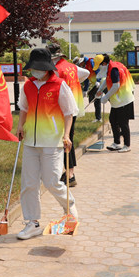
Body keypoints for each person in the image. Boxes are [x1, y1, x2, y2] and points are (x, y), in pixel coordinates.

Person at [16, 47, 78, 240]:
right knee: (29, 183)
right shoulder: (28, 85)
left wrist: (66, 135)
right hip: (31, 142)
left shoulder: (59, 85)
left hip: (52, 141)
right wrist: (20, 126)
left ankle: (69, 207)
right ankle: (32, 223)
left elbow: (69, 112)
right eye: (34, 68)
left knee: (52, 182)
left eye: (39, 68)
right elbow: (24, 108)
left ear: (47, 67)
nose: (36, 71)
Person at [48, 43, 89, 187]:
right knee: (68, 138)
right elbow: (86, 73)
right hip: (74, 106)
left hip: (64, 109)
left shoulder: (55, 70)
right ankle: (69, 172)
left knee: (65, 140)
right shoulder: (72, 67)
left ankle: (70, 174)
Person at [93, 54, 135, 153]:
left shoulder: (114, 69)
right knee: (113, 120)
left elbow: (116, 86)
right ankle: (117, 143)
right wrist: (100, 90)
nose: (99, 68)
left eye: (99, 66)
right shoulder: (111, 67)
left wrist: (106, 97)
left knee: (123, 123)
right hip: (118, 100)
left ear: (104, 63)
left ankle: (127, 145)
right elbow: (108, 79)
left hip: (123, 100)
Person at [75, 56, 102, 122]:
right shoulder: (85, 67)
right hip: (96, 84)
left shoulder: (91, 62)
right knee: (95, 98)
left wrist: (98, 80)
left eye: (79, 64)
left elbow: (97, 71)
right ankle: (98, 118)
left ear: (81, 62)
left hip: (102, 82)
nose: (80, 66)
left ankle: (99, 118)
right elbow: (86, 79)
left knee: (104, 98)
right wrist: (85, 90)